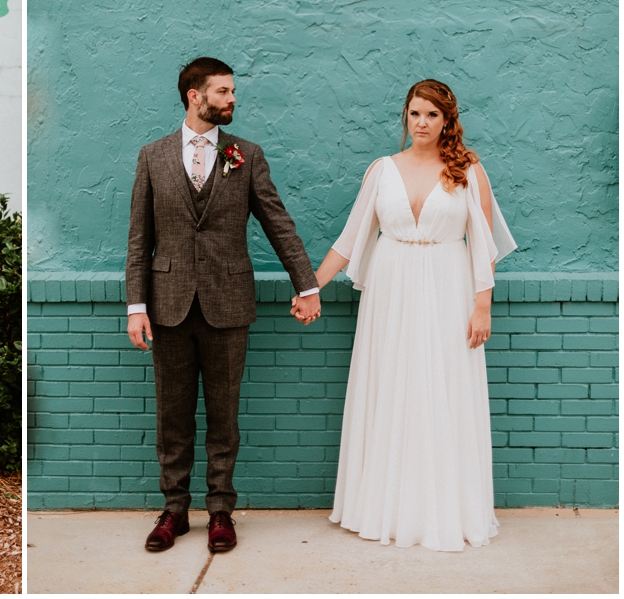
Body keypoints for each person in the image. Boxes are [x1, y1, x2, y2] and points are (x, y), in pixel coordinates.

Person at [125, 57, 320, 554]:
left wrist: (308, 285)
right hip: (167, 305)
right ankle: (173, 510)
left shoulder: (245, 156)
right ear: (196, 95)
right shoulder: (153, 156)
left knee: (223, 414)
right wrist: (136, 306)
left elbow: (278, 221)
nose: (233, 99)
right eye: (224, 91)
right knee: (172, 415)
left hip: (228, 303)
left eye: (233, 92)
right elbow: (139, 239)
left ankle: (219, 512)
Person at [314, 79, 516, 551]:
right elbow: (350, 239)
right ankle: (383, 506)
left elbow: (483, 246)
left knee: (441, 388)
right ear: (405, 118)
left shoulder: (468, 171)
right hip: (391, 289)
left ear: (447, 120)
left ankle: (443, 509)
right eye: (415, 114)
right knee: (393, 386)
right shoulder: (382, 171)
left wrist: (482, 306)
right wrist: (311, 286)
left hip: (449, 288)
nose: (422, 123)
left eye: (432, 115)